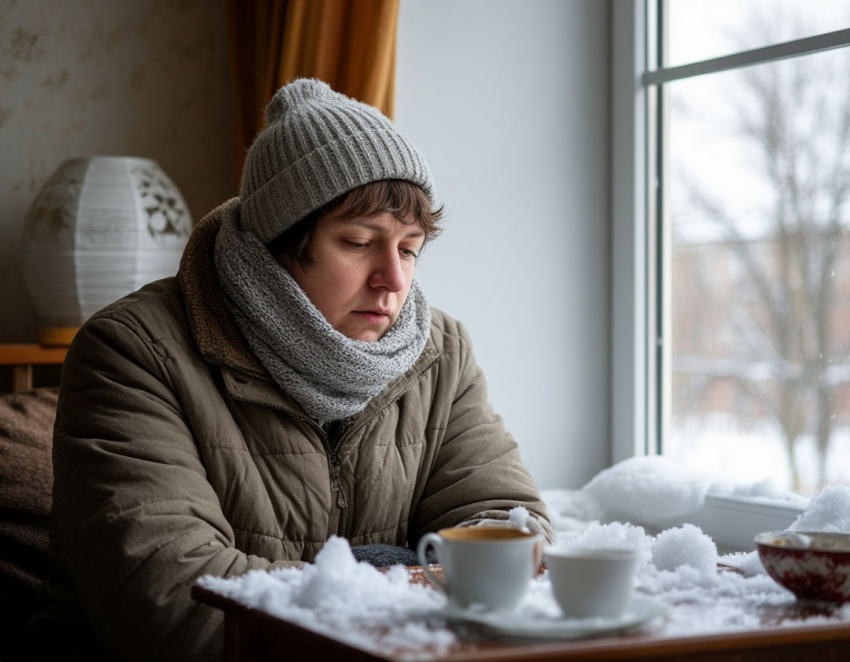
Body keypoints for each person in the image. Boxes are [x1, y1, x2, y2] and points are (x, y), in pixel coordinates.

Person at [36, 79, 553, 661]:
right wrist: (396, 571)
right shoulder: (131, 353)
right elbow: (179, 605)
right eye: (359, 242)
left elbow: (515, 535)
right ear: (274, 245)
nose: (395, 279)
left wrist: (365, 582)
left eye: (409, 248)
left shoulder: (440, 350)